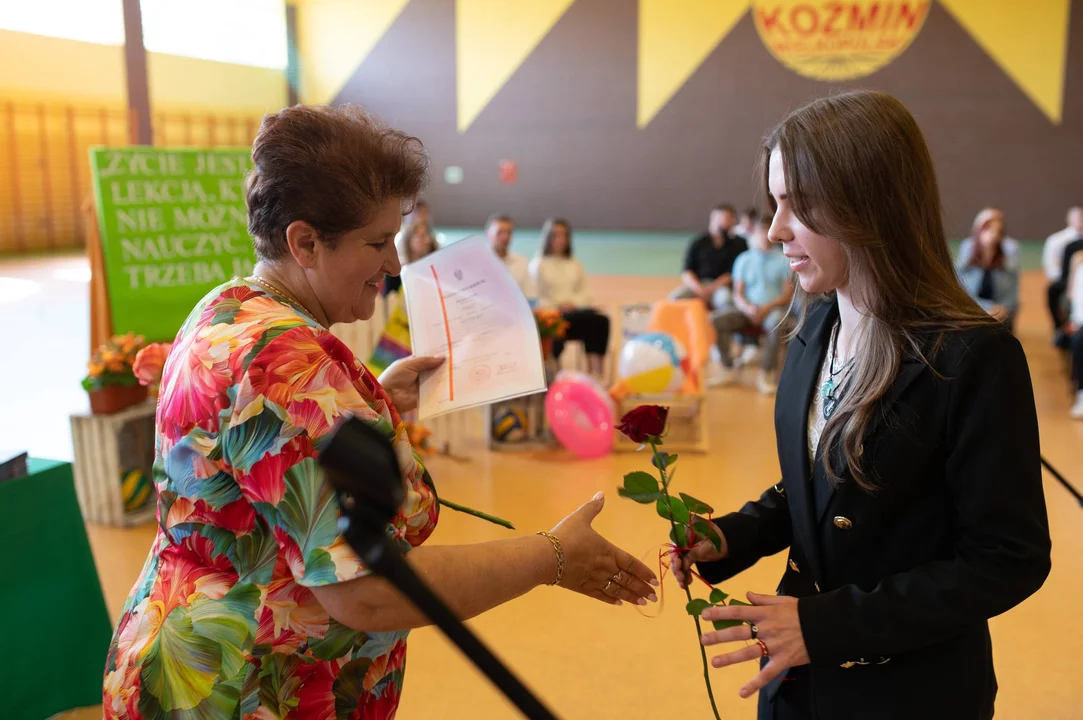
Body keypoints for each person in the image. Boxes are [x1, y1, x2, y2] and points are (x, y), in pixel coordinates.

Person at [101, 104, 657, 719]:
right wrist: (552, 556)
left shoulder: (231, 308)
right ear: (305, 242)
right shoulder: (288, 365)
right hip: (244, 689)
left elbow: (259, 465)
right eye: (375, 242)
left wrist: (369, 402)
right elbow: (363, 594)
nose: (393, 264)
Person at [670, 90, 1050, 719]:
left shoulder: (973, 357)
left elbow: (1007, 561)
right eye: (774, 203)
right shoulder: (813, 329)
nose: (773, 230)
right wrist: (735, 536)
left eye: (799, 204)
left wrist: (826, 626)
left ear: (868, 205)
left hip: (909, 695)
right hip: (795, 686)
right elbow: (819, 487)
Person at [710, 213, 794, 393]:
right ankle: (728, 368)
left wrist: (764, 309)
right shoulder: (743, 260)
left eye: (767, 231)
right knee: (717, 320)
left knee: (776, 322)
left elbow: (787, 295)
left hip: (772, 310)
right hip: (747, 310)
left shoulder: (783, 259)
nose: (764, 236)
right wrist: (747, 307)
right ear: (753, 234)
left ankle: (766, 373)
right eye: (760, 232)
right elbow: (738, 292)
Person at [529, 218, 611, 377]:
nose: (561, 239)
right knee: (586, 318)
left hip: (576, 314)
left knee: (601, 320)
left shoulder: (574, 264)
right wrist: (559, 305)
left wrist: (573, 303)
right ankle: (555, 372)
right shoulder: (538, 264)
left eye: (564, 235)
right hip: (552, 316)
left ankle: (595, 372)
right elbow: (536, 296)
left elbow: (586, 292)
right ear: (548, 238)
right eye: (556, 235)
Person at [671, 204, 748, 310]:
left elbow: (733, 274)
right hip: (699, 284)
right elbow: (687, 271)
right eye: (720, 218)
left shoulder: (739, 244)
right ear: (713, 219)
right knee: (676, 298)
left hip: (721, 287)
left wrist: (712, 288)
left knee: (726, 301)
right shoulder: (698, 243)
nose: (722, 223)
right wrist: (699, 289)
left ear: (732, 222)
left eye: (727, 219)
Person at [955, 214, 1020, 331]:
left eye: (998, 231)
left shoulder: (1009, 266)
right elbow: (962, 294)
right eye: (989, 229)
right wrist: (987, 308)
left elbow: (1012, 296)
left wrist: (1002, 309)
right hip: (972, 313)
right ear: (979, 232)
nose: (993, 235)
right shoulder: (965, 264)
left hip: (1000, 315)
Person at [1041, 206, 1083, 341]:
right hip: (1067, 280)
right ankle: (1059, 327)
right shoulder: (1059, 240)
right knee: (1052, 290)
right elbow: (1051, 268)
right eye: (1077, 217)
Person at [383, 220, 439, 297]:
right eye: (421, 236)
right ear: (409, 241)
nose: (427, 240)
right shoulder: (395, 273)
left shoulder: (433, 272)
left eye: (427, 236)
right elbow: (388, 300)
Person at [487, 213, 535, 300]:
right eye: (499, 232)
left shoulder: (521, 261)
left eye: (509, 232)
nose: (505, 237)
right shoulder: (478, 262)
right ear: (488, 234)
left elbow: (530, 296)